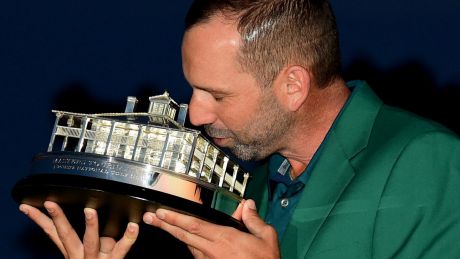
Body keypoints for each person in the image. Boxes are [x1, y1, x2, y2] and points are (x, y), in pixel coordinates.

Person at [19, 0, 460, 258]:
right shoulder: (256, 184)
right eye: (193, 89)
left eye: (217, 94)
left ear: (292, 85)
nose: (194, 115)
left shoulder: (430, 160)